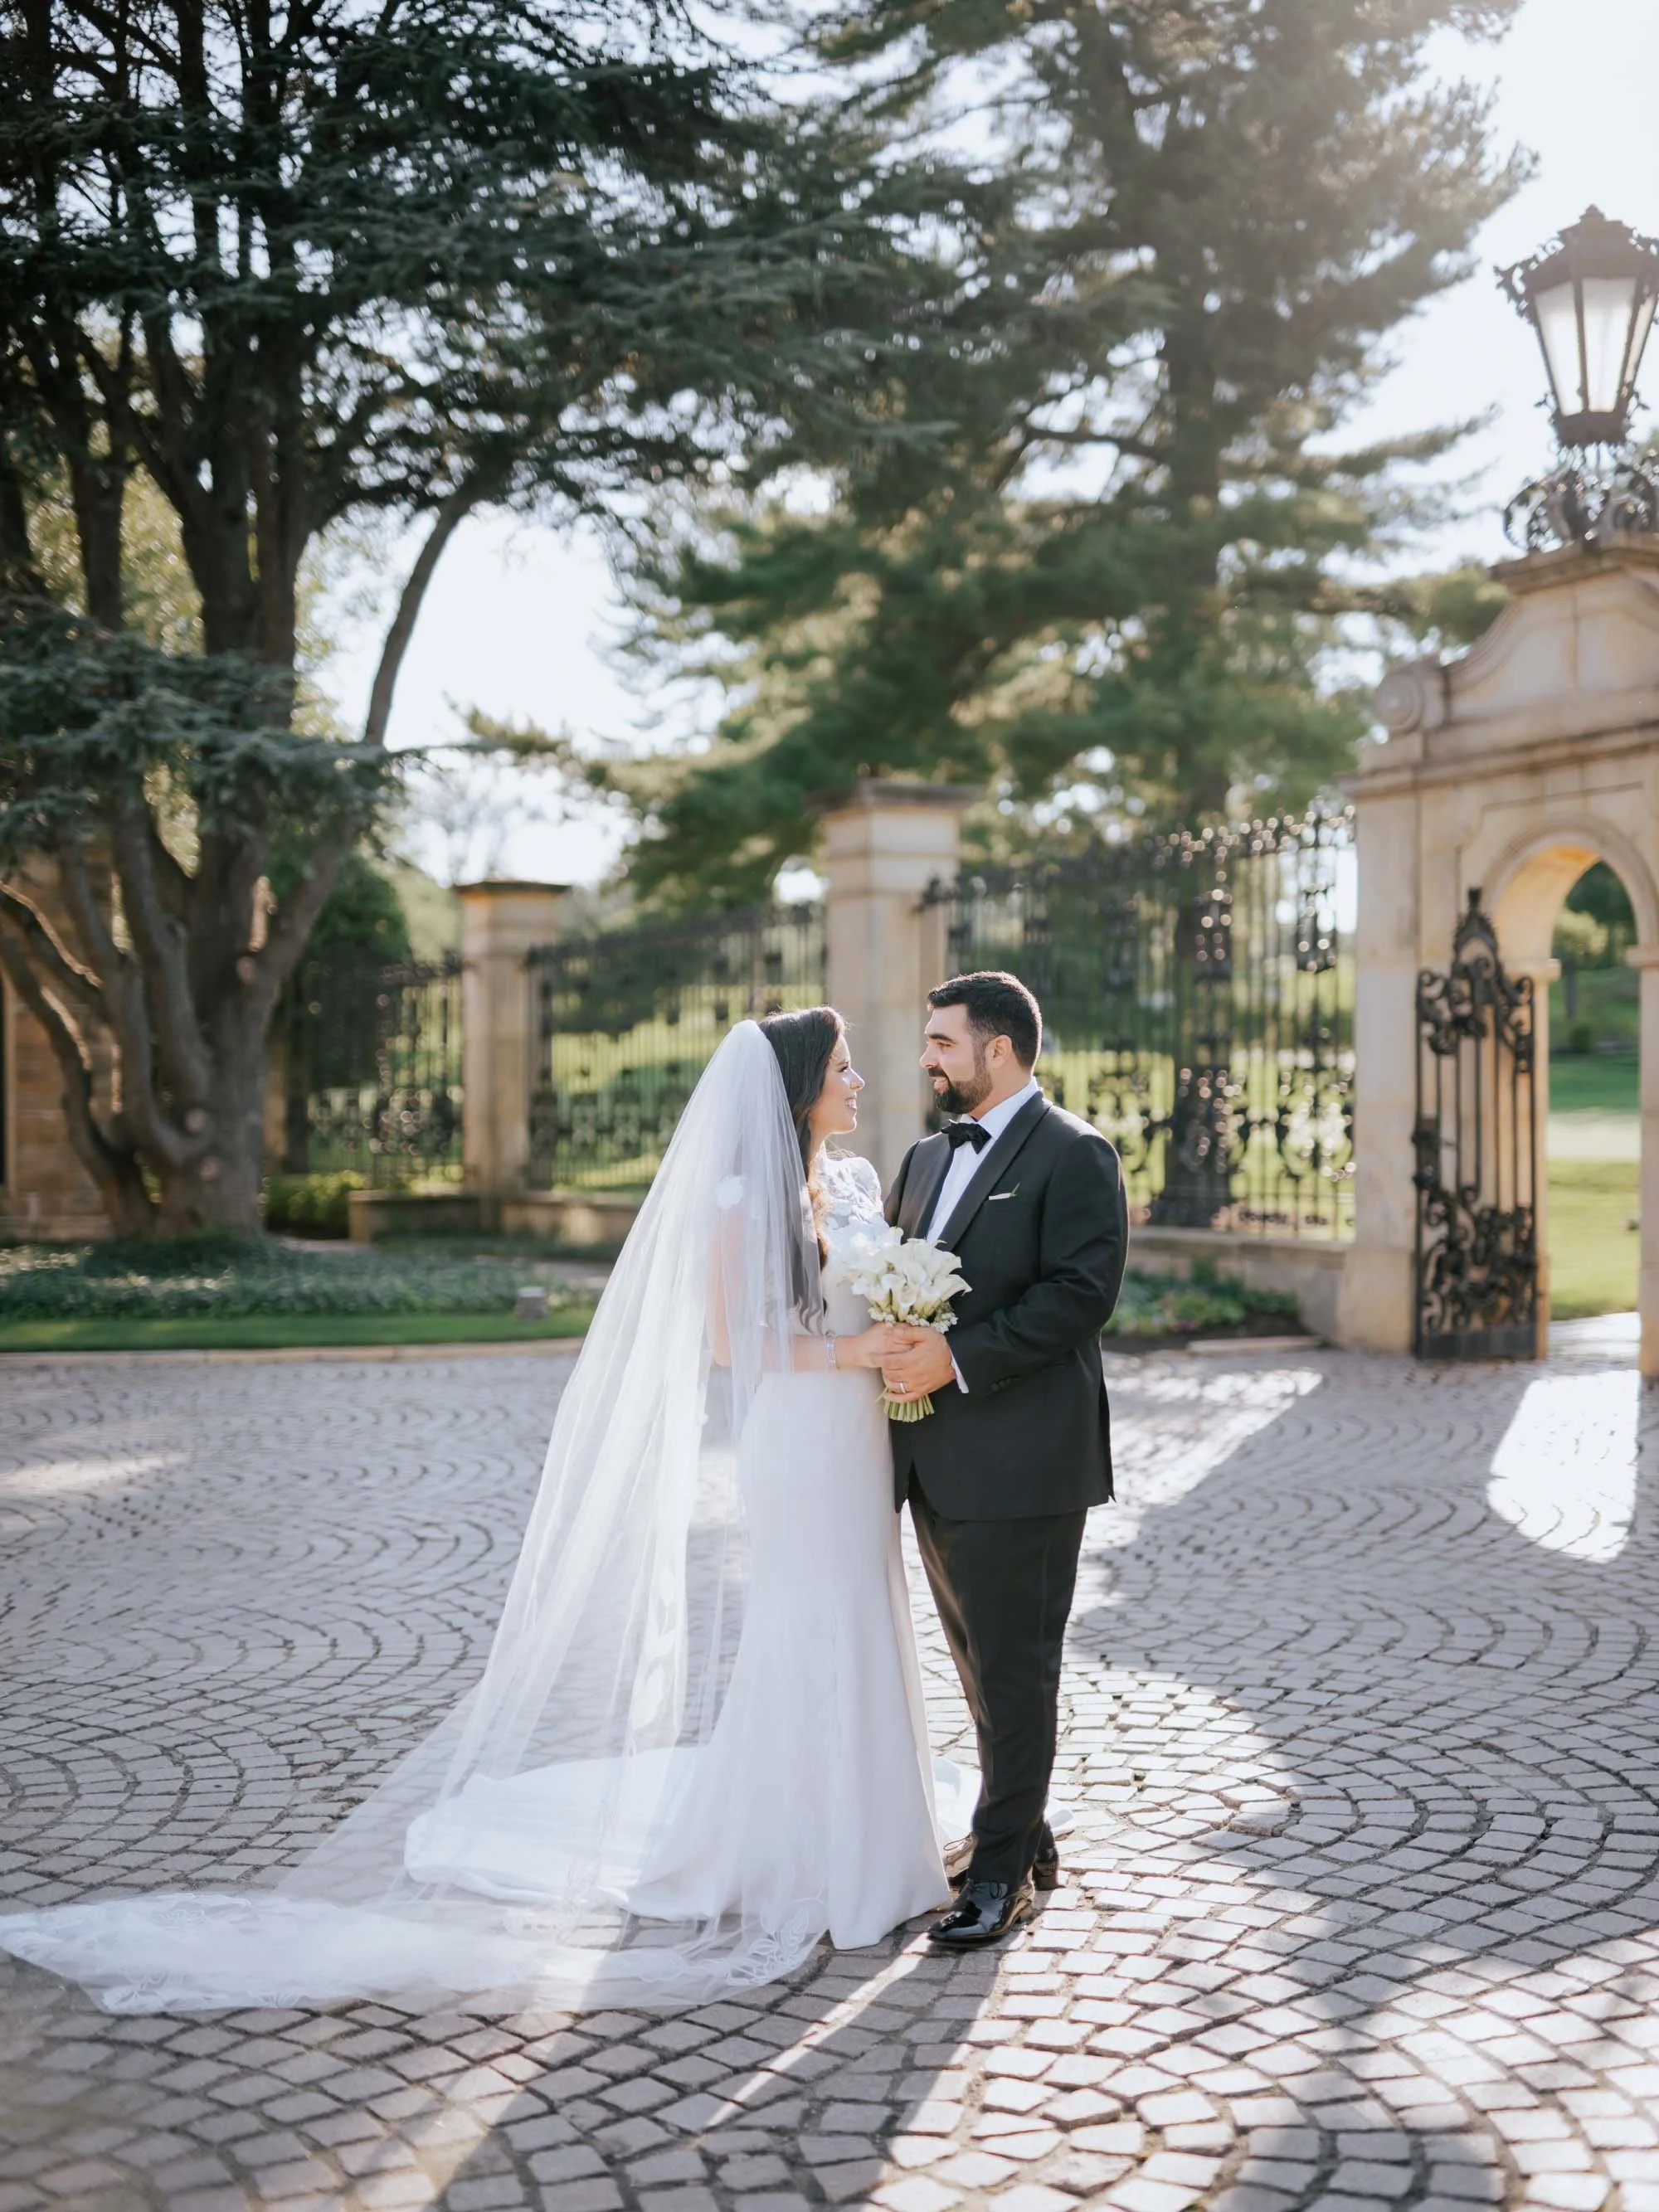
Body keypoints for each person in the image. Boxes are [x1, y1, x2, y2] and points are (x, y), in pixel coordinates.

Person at [0, 1010, 973, 2014]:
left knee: (868, 1605)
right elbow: (733, 1346)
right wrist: (858, 1352)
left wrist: (900, 1329)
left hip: (861, 1439)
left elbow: (867, 1298)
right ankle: (808, 1848)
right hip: (799, 1439)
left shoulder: (853, 1183)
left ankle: (879, 1835)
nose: (859, 1085)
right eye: (844, 1071)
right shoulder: (739, 1199)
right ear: (798, 1085)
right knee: (808, 1618)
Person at [881, 970, 1128, 1949]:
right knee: (979, 1667)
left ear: (999, 1048)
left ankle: (995, 1879)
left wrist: (953, 1355)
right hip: (932, 1458)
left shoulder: (1075, 1154)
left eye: (942, 1041)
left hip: (1025, 1461)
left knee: (1017, 1670)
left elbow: (1080, 1294)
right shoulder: (920, 1159)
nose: (926, 1058)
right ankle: (1025, 1837)